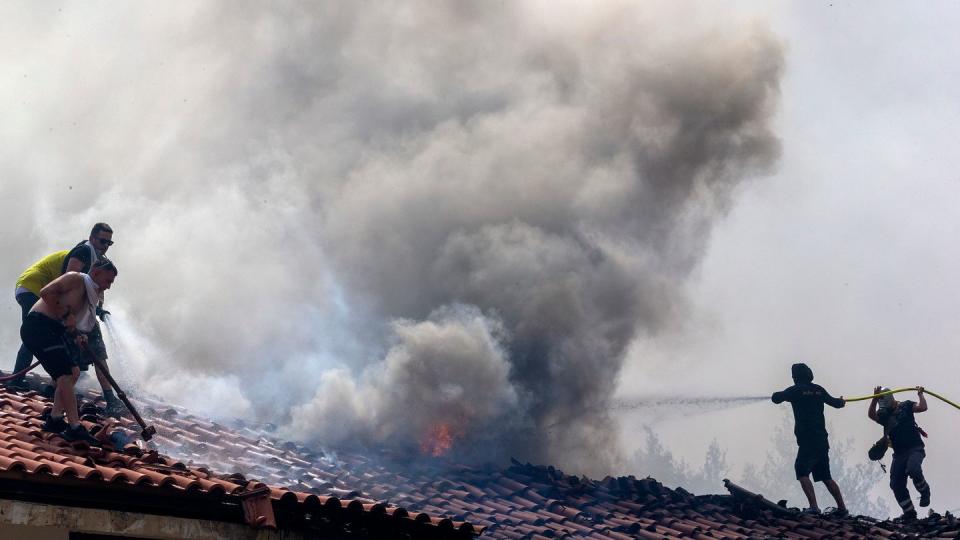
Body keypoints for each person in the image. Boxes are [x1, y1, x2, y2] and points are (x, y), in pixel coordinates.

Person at [20, 258, 118, 445]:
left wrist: (77, 334)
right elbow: (46, 293)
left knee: (73, 372)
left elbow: (72, 320)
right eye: (108, 281)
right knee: (65, 374)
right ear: (96, 273)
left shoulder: (91, 295)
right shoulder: (75, 279)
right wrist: (66, 315)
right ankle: (74, 427)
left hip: (53, 331)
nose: (109, 286)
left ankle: (55, 419)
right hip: (37, 326)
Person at [61, 223, 123, 416]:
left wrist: (99, 309)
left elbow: (98, 288)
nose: (105, 245)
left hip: (86, 313)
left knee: (98, 354)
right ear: (92, 237)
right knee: (68, 360)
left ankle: (110, 398)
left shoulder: (100, 259)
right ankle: (60, 396)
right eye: (102, 240)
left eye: (109, 242)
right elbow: (69, 280)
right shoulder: (83, 252)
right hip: (70, 313)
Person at [771, 363, 848, 516]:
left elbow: (776, 398)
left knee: (801, 470)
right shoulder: (818, 389)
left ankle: (814, 507)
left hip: (808, 440)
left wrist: (775, 395)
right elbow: (836, 403)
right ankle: (842, 509)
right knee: (826, 476)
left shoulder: (795, 390)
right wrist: (841, 402)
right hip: (821, 440)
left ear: (795, 377)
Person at [9, 250, 70, 387]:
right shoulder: (77, 260)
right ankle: (16, 381)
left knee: (41, 335)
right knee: (33, 336)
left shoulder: (75, 256)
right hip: (33, 289)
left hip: (26, 287)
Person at [869, 386, 930, 521]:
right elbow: (871, 415)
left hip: (915, 449)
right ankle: (909, 513)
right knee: (896, 484)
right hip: (899, 454)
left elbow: (923, 407)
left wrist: (920, 394)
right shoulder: (884, 416)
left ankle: (924, 490)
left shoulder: (906, 406)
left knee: (913, 469)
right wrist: (874, 399)